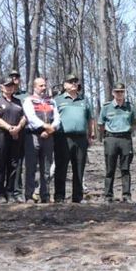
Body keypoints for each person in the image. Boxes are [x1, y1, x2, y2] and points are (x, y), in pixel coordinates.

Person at [53, 73, 94, 203]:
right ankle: (59, 196)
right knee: (61, 167)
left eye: (76, 82)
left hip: (81, 139)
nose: (74, 84)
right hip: (62, 138)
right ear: (65, 85)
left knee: (79, 168)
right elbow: (52, 118)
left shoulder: (84, 100)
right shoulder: (57, 100)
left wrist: (91, 134)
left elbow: (90, 118)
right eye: (71, 82)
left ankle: (78, 197)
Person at [22, 77, 60, 203]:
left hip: (49, 136)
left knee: (47, 168)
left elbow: (57, 118)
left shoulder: (52, 102)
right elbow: (31, 118)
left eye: (44, 86)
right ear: (35, 87)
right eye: (40, 86)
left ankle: (45, 195)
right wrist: (44, 127)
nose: (43, 88)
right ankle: (29, 195)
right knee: (31, 167)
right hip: (33, 136)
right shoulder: (29, 101)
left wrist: (51, 128)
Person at [0, 76, 26, 203]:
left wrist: (18, 127)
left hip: (16, 136)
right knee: (0, 164)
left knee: (14, 164)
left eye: (11, 85)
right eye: (7, 85)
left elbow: (24, 117)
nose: (9, 88)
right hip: (1, 136)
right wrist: (9, 127)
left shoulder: (18, 102)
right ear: (1, 87)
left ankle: (10, 191)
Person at [99, 83, 136, 203]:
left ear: (124, 92)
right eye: (117, 91)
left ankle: (126, 195)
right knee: (110, 169)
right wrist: (105, 136)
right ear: (113, 93)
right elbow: (101, 123)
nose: (119, 94)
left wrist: (128, 131)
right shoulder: (106, 107)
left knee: (125, 169)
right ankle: (108, 196)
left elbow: (134, 123)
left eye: (121, 91)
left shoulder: (130, 107)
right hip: (111, 139)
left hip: (125, 139)